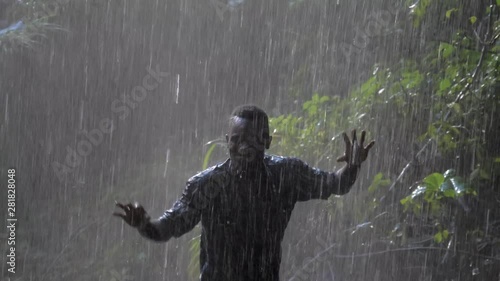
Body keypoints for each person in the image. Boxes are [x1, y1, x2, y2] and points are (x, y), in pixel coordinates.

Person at [114, 105, 374, 281]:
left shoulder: (285, 175)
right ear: (226, 140)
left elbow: (335, 185)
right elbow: (168, 228)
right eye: (236, 140)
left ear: (267, 141)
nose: (242, 147)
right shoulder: (207, 185)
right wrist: (144, 225)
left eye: (251, 140)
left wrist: (352, 167)